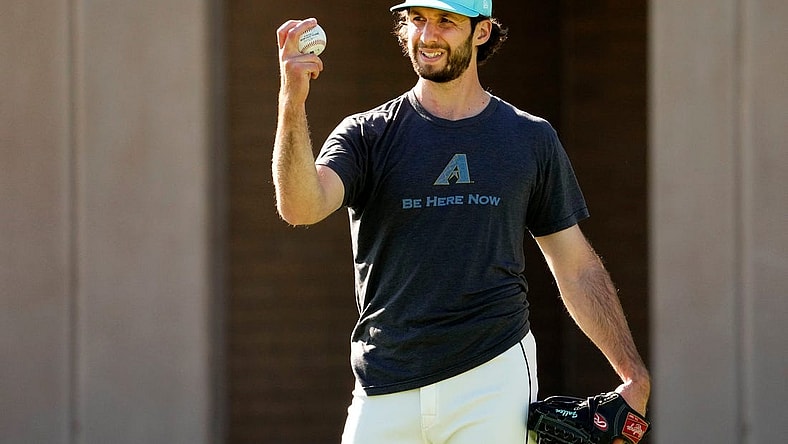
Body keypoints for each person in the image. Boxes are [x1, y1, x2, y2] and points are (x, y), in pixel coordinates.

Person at [274, 0, 650, 443]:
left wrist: (633, 373)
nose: (427, 35)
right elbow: (300, 207)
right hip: (384, 382)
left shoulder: (529, 138)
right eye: (417, 20)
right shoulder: (366, 134)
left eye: (446, 21)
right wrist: (291, 101)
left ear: (482, 31)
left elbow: (576, 265)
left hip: (492, 380)